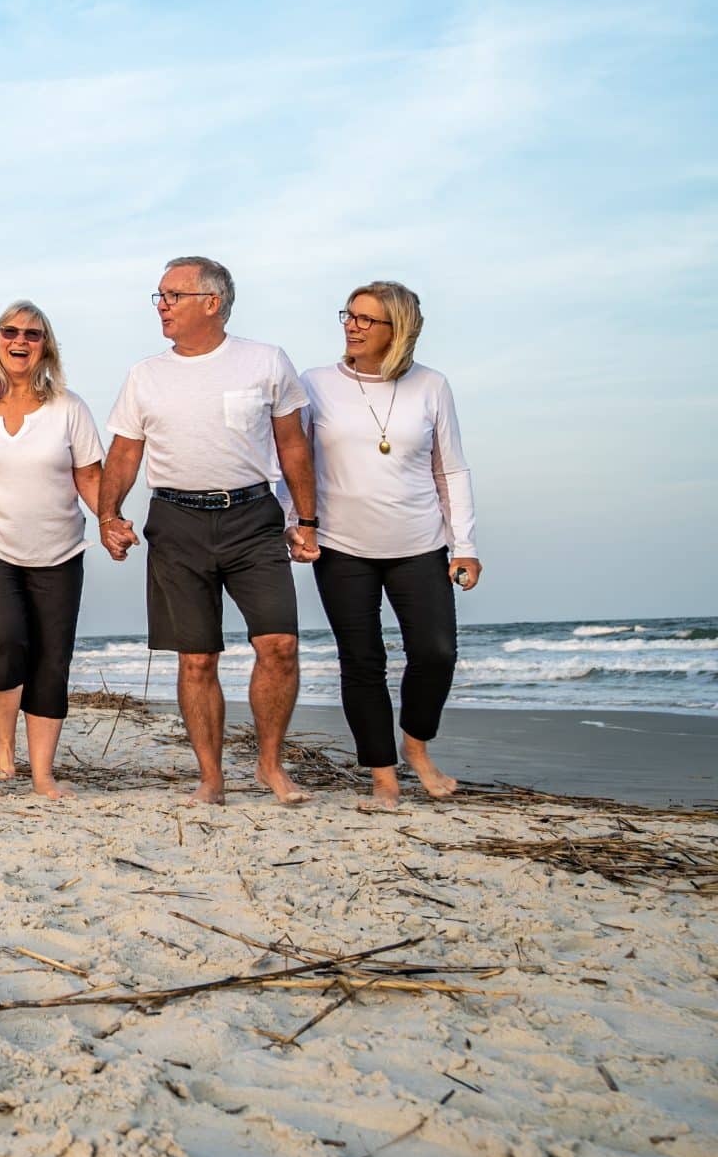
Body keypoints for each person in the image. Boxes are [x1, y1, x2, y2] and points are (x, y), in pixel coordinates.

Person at [99, 255, 319, 805]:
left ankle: (270, 765)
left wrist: (307, 521)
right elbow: (125, 453)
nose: (162, 306)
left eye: (172, 295)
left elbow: (293, 445)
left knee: (280, 645)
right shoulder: (145, 375)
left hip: (252, 518)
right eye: (160, 297)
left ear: (212, 302)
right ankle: (211, 778)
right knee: (196, 658)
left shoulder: (265, 361)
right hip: (176, 522)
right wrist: (108, 515)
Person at [302, 282, 481, 811]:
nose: (351, 326)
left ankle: (416, 747)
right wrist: (299, 522)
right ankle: (383, 777)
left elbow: (450, 468)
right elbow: (294, 462)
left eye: (366, 319)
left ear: (398, 330)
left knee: (436, 652)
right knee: (362, 660)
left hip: (419, 544)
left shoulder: (432, 386)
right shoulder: (315, 385)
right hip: (342, 546)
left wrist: (464, 543)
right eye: (349, 315)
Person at [0, 301, 104, 799]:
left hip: (59, 550)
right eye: (10, 331)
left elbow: (90, 476)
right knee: (4, 639)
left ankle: (43, 773)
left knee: (51, 659)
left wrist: (112, 521)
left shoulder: (70, 407)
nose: (20, 341)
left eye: (33, 334)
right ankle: (3, 743)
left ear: (46, 346)